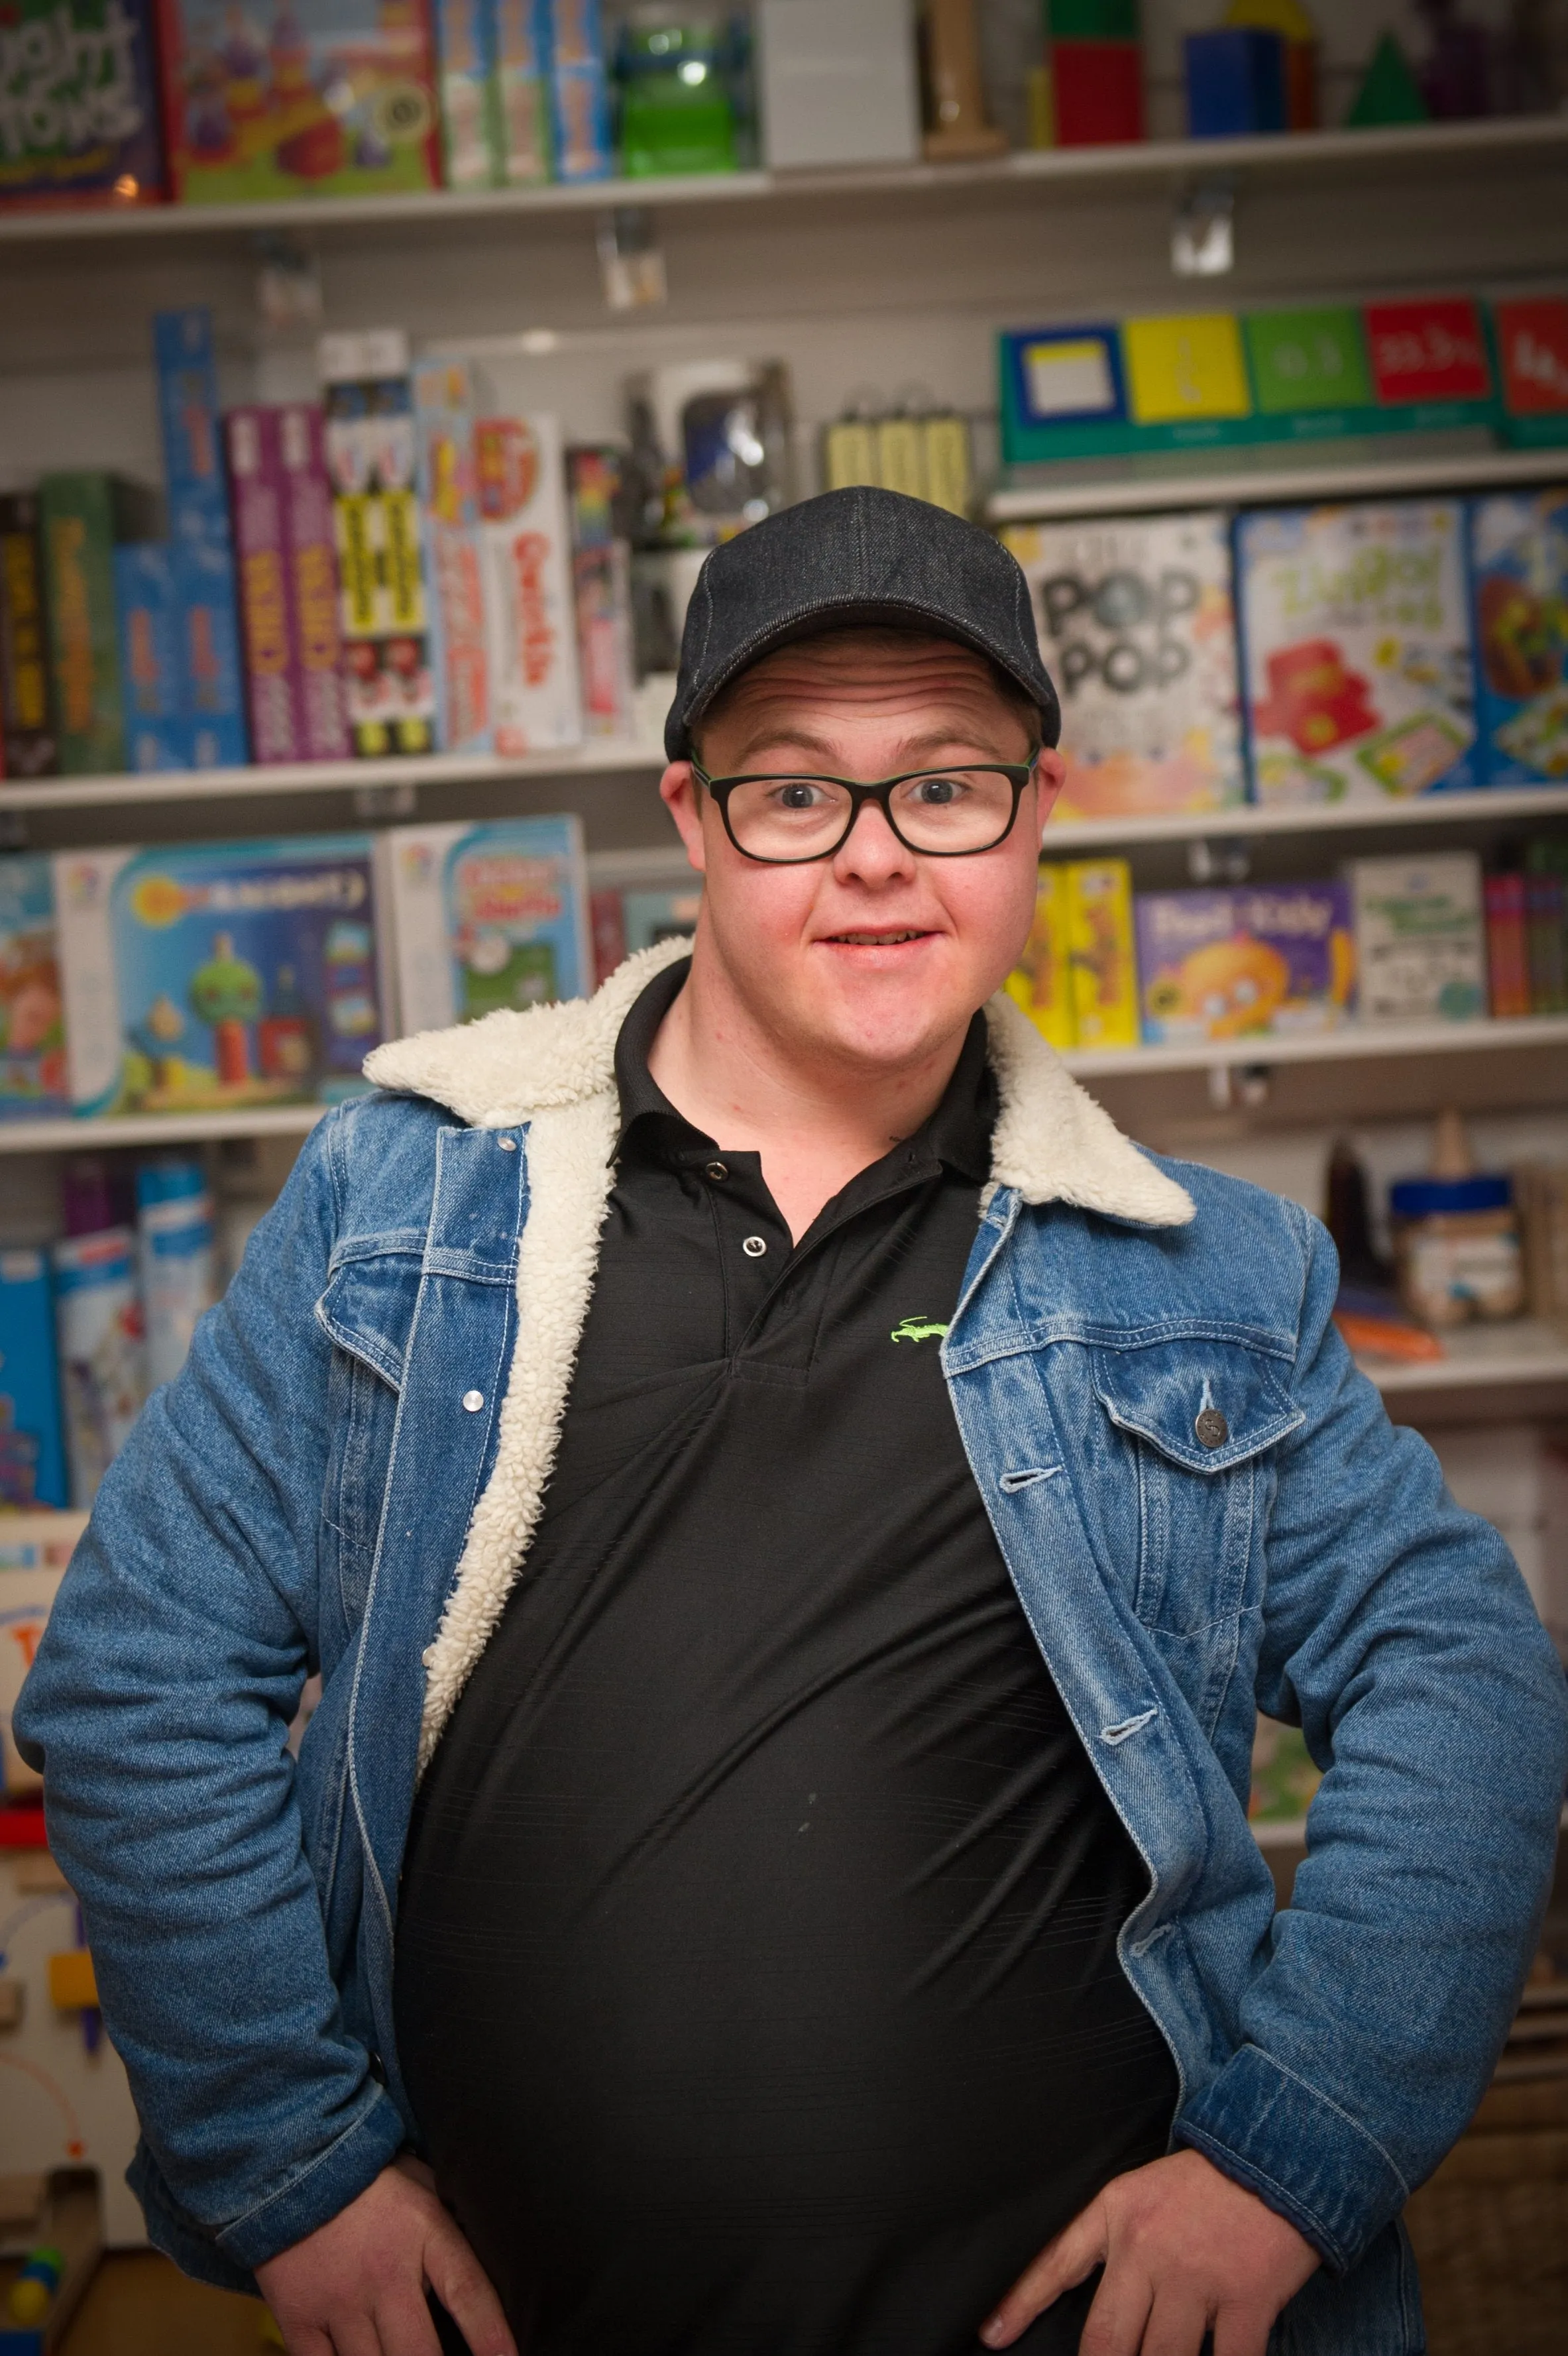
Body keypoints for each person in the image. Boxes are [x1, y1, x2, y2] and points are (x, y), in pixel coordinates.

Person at [17, 488, 1567, 2356]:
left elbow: (1461, 1670)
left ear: (1033, 813)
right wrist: (292, 2169)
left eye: (941, 784)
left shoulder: (1195, 1277)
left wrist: (1295, 2155)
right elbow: (136, 1674)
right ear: (691, 820)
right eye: (792, 790)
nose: (874, 858)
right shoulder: (409, 1205)